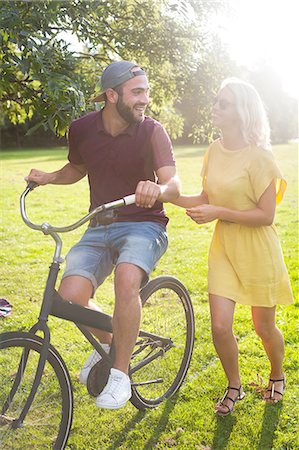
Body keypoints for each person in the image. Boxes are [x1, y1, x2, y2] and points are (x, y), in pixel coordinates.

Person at [26, 60, 180, 409]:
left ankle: (120, 376)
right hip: (99, 224)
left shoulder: (152, 130)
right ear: (112, 96)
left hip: (145, 224)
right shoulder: (81, 129)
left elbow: (174, 183)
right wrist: (50, 177)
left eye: (146, 91)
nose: (145, 99)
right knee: (69, 295)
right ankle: (114, 343)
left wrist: (157, 189)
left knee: (127, 279)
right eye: (137, 92)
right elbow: (78, 167)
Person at [172, 78, 293, 416]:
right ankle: (234, 386)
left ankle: (277, 373)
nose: (215, 107)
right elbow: (206, 198)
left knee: (263, 327)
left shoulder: (260, 159)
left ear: (241, 112)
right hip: (224, 247)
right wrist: (170, 196)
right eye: (216, 100)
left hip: (258, 250)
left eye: (223, 103)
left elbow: (266, 215)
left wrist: (218, 212)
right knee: (220, 326)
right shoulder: (213, 150)